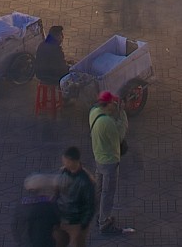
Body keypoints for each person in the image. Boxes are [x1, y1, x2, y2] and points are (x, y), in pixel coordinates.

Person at [88, 90, 128, 234]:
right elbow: (120, 135)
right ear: (108, 103)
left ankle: (97, 215)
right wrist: (122, 114)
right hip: (110, 161)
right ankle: (104, 222)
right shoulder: (107, 122)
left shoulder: (93, 112)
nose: (115, 104)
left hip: (98, 157)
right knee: (108, 192)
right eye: (113, 102)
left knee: (99, 190)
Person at [57, 146, 99, 247]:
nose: (64, 164)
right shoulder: (63, 173)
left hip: (76, 223)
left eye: (66, 161)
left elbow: (90, 205)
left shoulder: (85, 181)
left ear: (73, 161)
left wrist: (83, 224)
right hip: (61, 220)